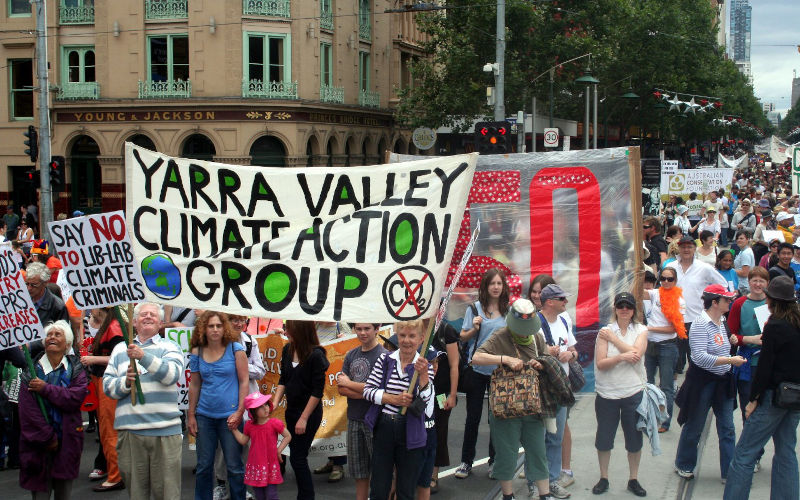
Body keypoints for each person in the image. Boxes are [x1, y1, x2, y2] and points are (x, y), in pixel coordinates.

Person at [471, 298, 559, 500]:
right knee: (506, 453)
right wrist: (505, 359)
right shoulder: (500, 335)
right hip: (505, 408)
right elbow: (476, 357)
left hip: (533, 406)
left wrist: (541, 364)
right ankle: (508, 495)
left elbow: (547, 361)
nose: (524, 331)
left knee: (538, 451)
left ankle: (544, 494)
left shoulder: (537, 337)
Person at [723, 276, 800, 500]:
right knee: (786, 453)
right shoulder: (796, 323)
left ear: (771, 299)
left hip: (772, 397)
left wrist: (753, 399)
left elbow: (764, 367)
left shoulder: (775, 325)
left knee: (744, 454)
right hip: (795, 397)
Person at [103, 302, 185, 500]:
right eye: (143, 314)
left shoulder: (170, 346)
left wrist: (143, 356)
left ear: (160, 323)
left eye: (153, 315)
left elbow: (172, 375)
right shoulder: (120, 349)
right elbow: (107, 387)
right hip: (130, 433)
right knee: (136, 493)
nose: (148, 317)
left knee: (167, 493)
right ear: (134, 322)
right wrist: (126, 383)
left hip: (164, 432)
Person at [674, 285, 746, 481]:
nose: (729, 303)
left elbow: (720, 347)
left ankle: (728, 471)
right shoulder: (699, 324)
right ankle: (684, 463)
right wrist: (731, 361)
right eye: (726, 300)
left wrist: (730, 343)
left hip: (722, 382)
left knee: (728, 428)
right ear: (714, 302)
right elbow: (699, 358)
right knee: (695, 425)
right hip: (703, 383)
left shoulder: (722, 321)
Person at [363, 319, 433, 500]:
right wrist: (393, 399)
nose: (406, 340)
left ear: (421, 338)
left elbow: (427, 403)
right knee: (379, 485)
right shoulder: (385, 359)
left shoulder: (425, 366)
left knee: (406, 489)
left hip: (411, 430)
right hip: (384, 427)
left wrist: (424, 375)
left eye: (412, 336)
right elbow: (368, 391)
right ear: (397, 336)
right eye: (402, 335)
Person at [18, 320, 88, 500]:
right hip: (38, 446)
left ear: (68, 344)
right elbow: (28, 412)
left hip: (68, 443)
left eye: (58, 335)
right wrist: (47, 437)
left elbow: (74, 399)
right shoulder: (31, 372)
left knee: (63, 494)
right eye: (49, 335)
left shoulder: (76, 370)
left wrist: (45, 389)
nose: (52, 338)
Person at [592, 293, 648, 497]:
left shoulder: (641, 330)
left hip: (633, 392)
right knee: (604, 438)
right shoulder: (603, 332)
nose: (624, 309)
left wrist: (616, 343)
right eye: (621, 306)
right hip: (607, 394)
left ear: (634, 310)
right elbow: (601, 363)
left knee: (634, 439)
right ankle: (603, 477)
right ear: (615, 308)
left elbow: (637, 355)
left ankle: (634, 478)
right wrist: (622, 357)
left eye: (629, 306)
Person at [188, 311, 249, 500]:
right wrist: (191, 415)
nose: (215, 329)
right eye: (211, 326)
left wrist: (239, 411)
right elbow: (195, 384)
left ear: (225, 327)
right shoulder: (197, 351)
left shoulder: (236, 349)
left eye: (219, 325)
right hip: (205, 416)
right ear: (203, 329)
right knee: (204, 466)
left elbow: (244, 381)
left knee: (234, 467)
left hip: (230, 416)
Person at [455, 268, 510, 479]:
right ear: (485, 286)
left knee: (495, 418)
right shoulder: (474, 308)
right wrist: (474, 329)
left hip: (499, 371)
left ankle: (494, 461)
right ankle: (466, 462)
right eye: (492, 283)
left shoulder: (508, 310)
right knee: (473, 417)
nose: (496, 287)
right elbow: (463, 337)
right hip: (476, 370)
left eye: (499, 283)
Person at [272, 320, 329, 500]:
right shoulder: (287, 350)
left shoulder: (316, 356)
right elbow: (283, 379)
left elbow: (317, 391)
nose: (286, 333)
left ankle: (306, 496)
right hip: (292, 410)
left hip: (309, 413)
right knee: (298, 458)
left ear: (301, 331)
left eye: (289, 329)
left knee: (297, 458)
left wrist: (304, 418)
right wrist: (273, 404)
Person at [213, 315, 267, 500]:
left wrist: (241, 367)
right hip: (225, 399)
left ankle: (240, 486)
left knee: (245, 445)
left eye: (241, 320)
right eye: (233, 319)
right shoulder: (218, 341)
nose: (237, 324)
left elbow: (260, 371)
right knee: (223, 445)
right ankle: (220, 484)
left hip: (248, 402)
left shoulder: (250, 341)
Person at [336, 323, 387, 500]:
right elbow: (341, 389)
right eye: (359, 329)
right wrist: (367, 391)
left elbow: (380, 392)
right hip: (354, 418)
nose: (363, 333)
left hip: (376, 421)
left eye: (367, 329)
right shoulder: (351, 354)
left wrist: (350, 384)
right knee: (359, 471)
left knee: (381, 471)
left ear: (377, 329)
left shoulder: (384, 356)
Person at [537, 284, 578, 499]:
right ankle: (536, 482)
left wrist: (570, 356)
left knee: (555, 437)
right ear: (550, 302)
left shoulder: (563, 320)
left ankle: (551, 480)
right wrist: (546, 352)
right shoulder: (535, 323)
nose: (566, 302)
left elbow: (573, 350)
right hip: (542, 389)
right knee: (537, 438)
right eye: (562, 299)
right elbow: (526, 354)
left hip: (561, 387)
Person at [667, 235, 727, 375]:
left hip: (696, 320)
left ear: (694, 248)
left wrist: (711, 305)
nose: (686, 249)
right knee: (674, 361)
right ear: (678, 248)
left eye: (689, 246)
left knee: (696, 360)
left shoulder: (704, 267)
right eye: (683, 246)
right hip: (674, 320)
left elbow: (723, 285)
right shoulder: (671, 267)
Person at [80, 307, 125, 492]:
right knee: (105, 429)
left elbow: (119, 355)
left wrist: (93, 359)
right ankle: (114, 472)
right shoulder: (110, 326)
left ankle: (115, 475)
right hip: (101, 380)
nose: (92, 309)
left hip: (106, 382)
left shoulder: (114, 327)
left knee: (108, 429)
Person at [641, 267, 685, 432]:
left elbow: (674, 329)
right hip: (650, 345)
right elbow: (639, 293)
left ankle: (664, 422)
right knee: (647, 383)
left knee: (666, 386)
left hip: (668, 346)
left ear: (675, 281)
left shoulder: (680, 301)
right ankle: (648, 416)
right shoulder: (655, 293)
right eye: (663, 279)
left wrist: (650, 328)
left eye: (670, 279)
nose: (666, 282)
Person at [230, 393, 291, 500]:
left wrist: (279, 450)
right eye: (260, 407)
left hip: (270, 464)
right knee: (259, 495)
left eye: (266, 405)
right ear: (253, 411)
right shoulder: (249, 425)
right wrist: (234, 429)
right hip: (256, 465)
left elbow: (288, 436)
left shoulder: (275, 423)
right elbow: (243, 440)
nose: (265, 408)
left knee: (271, 495)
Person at [429, 319, 460, 493]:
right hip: (418, 392)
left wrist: (452, 395)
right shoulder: (412, 327)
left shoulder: (445, 330)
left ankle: (433, 475)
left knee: (439, 431)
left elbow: (454, 364)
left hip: (440, 393)